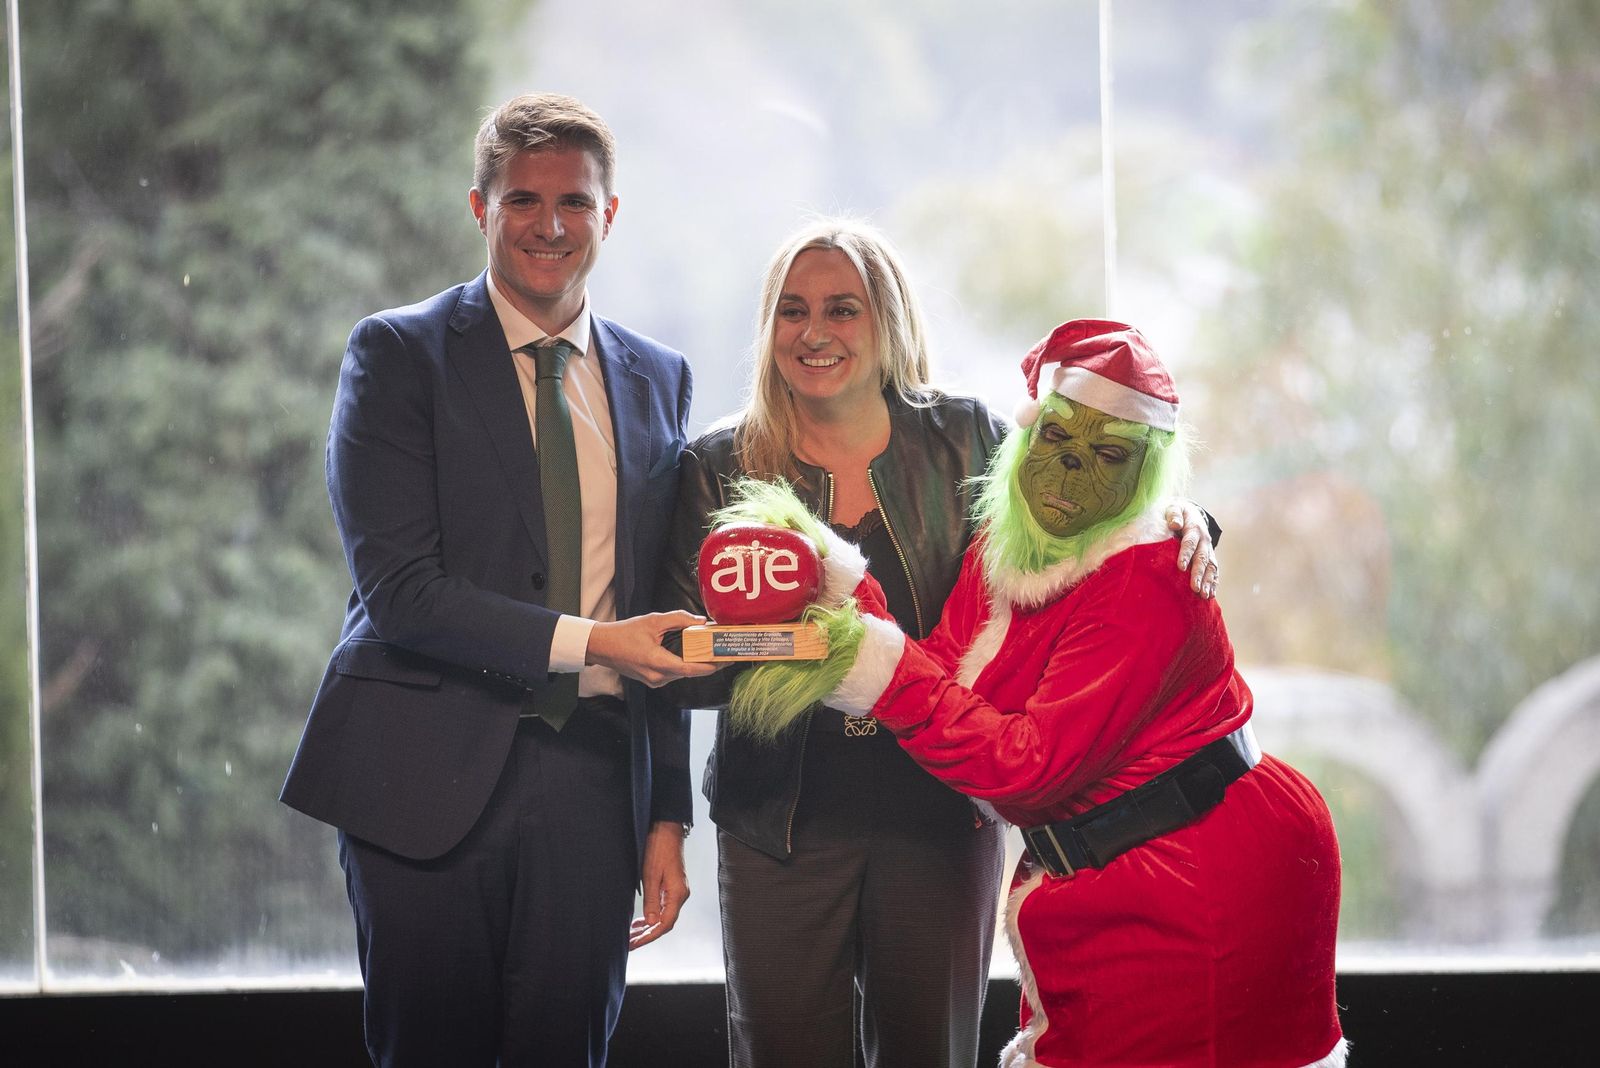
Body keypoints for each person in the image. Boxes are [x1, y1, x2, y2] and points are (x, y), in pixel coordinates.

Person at [655, 222, 1220, 1068]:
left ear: (886, 322)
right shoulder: (716, 463)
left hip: (939, 816)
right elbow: (676, 665)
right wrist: (795, 646)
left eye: (842, 309)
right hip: (779, 824)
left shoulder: (967, 437)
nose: (814, 332)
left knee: (932, 1054)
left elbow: (1075, 521)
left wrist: (1180, 517)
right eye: (793, 311)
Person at [735, 319, 1345, 1066]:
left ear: (1148, 474)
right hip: (1101, 870)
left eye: (1109, 454)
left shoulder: (1150, 574)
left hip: (1204, 872)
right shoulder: (1010, 544)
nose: (1070, 469)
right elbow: (945, 669)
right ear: (1026, 438)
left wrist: (878, 669)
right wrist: (840, 587)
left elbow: (1027, 765)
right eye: (1055, 439)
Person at [280, 92, 713, 1067]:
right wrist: (596, 643)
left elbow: (663, 612)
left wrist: (665, 816)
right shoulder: (397, 354)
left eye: (574, 201)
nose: (549, 225)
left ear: (610, 214)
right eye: (523, 199)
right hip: (419, 781)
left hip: (593, 788)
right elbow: (402, 592)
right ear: (480, 208)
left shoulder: (660, 377)